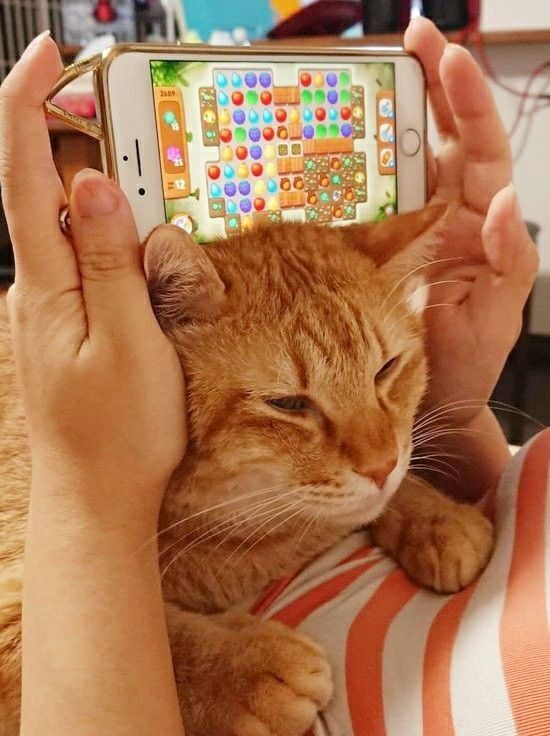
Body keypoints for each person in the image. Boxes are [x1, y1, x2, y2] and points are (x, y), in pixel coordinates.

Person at [0, 17, 544, 736]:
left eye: (388, 368)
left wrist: (427, 460)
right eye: (289, 403)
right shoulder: (94, 448)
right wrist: (196, 669)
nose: (380, 458)